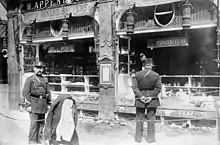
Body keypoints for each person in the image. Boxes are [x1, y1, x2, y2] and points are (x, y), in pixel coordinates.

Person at [132, 58, 162, 144]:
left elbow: (134, 87)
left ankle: (138, 139)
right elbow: (158, 88)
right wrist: (151, 97)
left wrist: (141, 96)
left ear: (143, 66)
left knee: (139, 118)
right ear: (151, 66)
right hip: (152, 100)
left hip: (139, 99)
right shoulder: (156, 75)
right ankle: (151, 139)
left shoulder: (137, 75)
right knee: (151, 119)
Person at [22, 61, 51, 144]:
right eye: (38, 68)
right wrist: (28, 105)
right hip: (34, 103)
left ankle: (40, 139)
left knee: (42, 123)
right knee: (34, 124)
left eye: (41, 68)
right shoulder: (30, 79)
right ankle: (32, 141)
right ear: (34, 68)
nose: (39, 70)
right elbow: (25, 93)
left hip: (43, 104)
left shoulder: (45, 79)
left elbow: (48, 92)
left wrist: (48, 103)